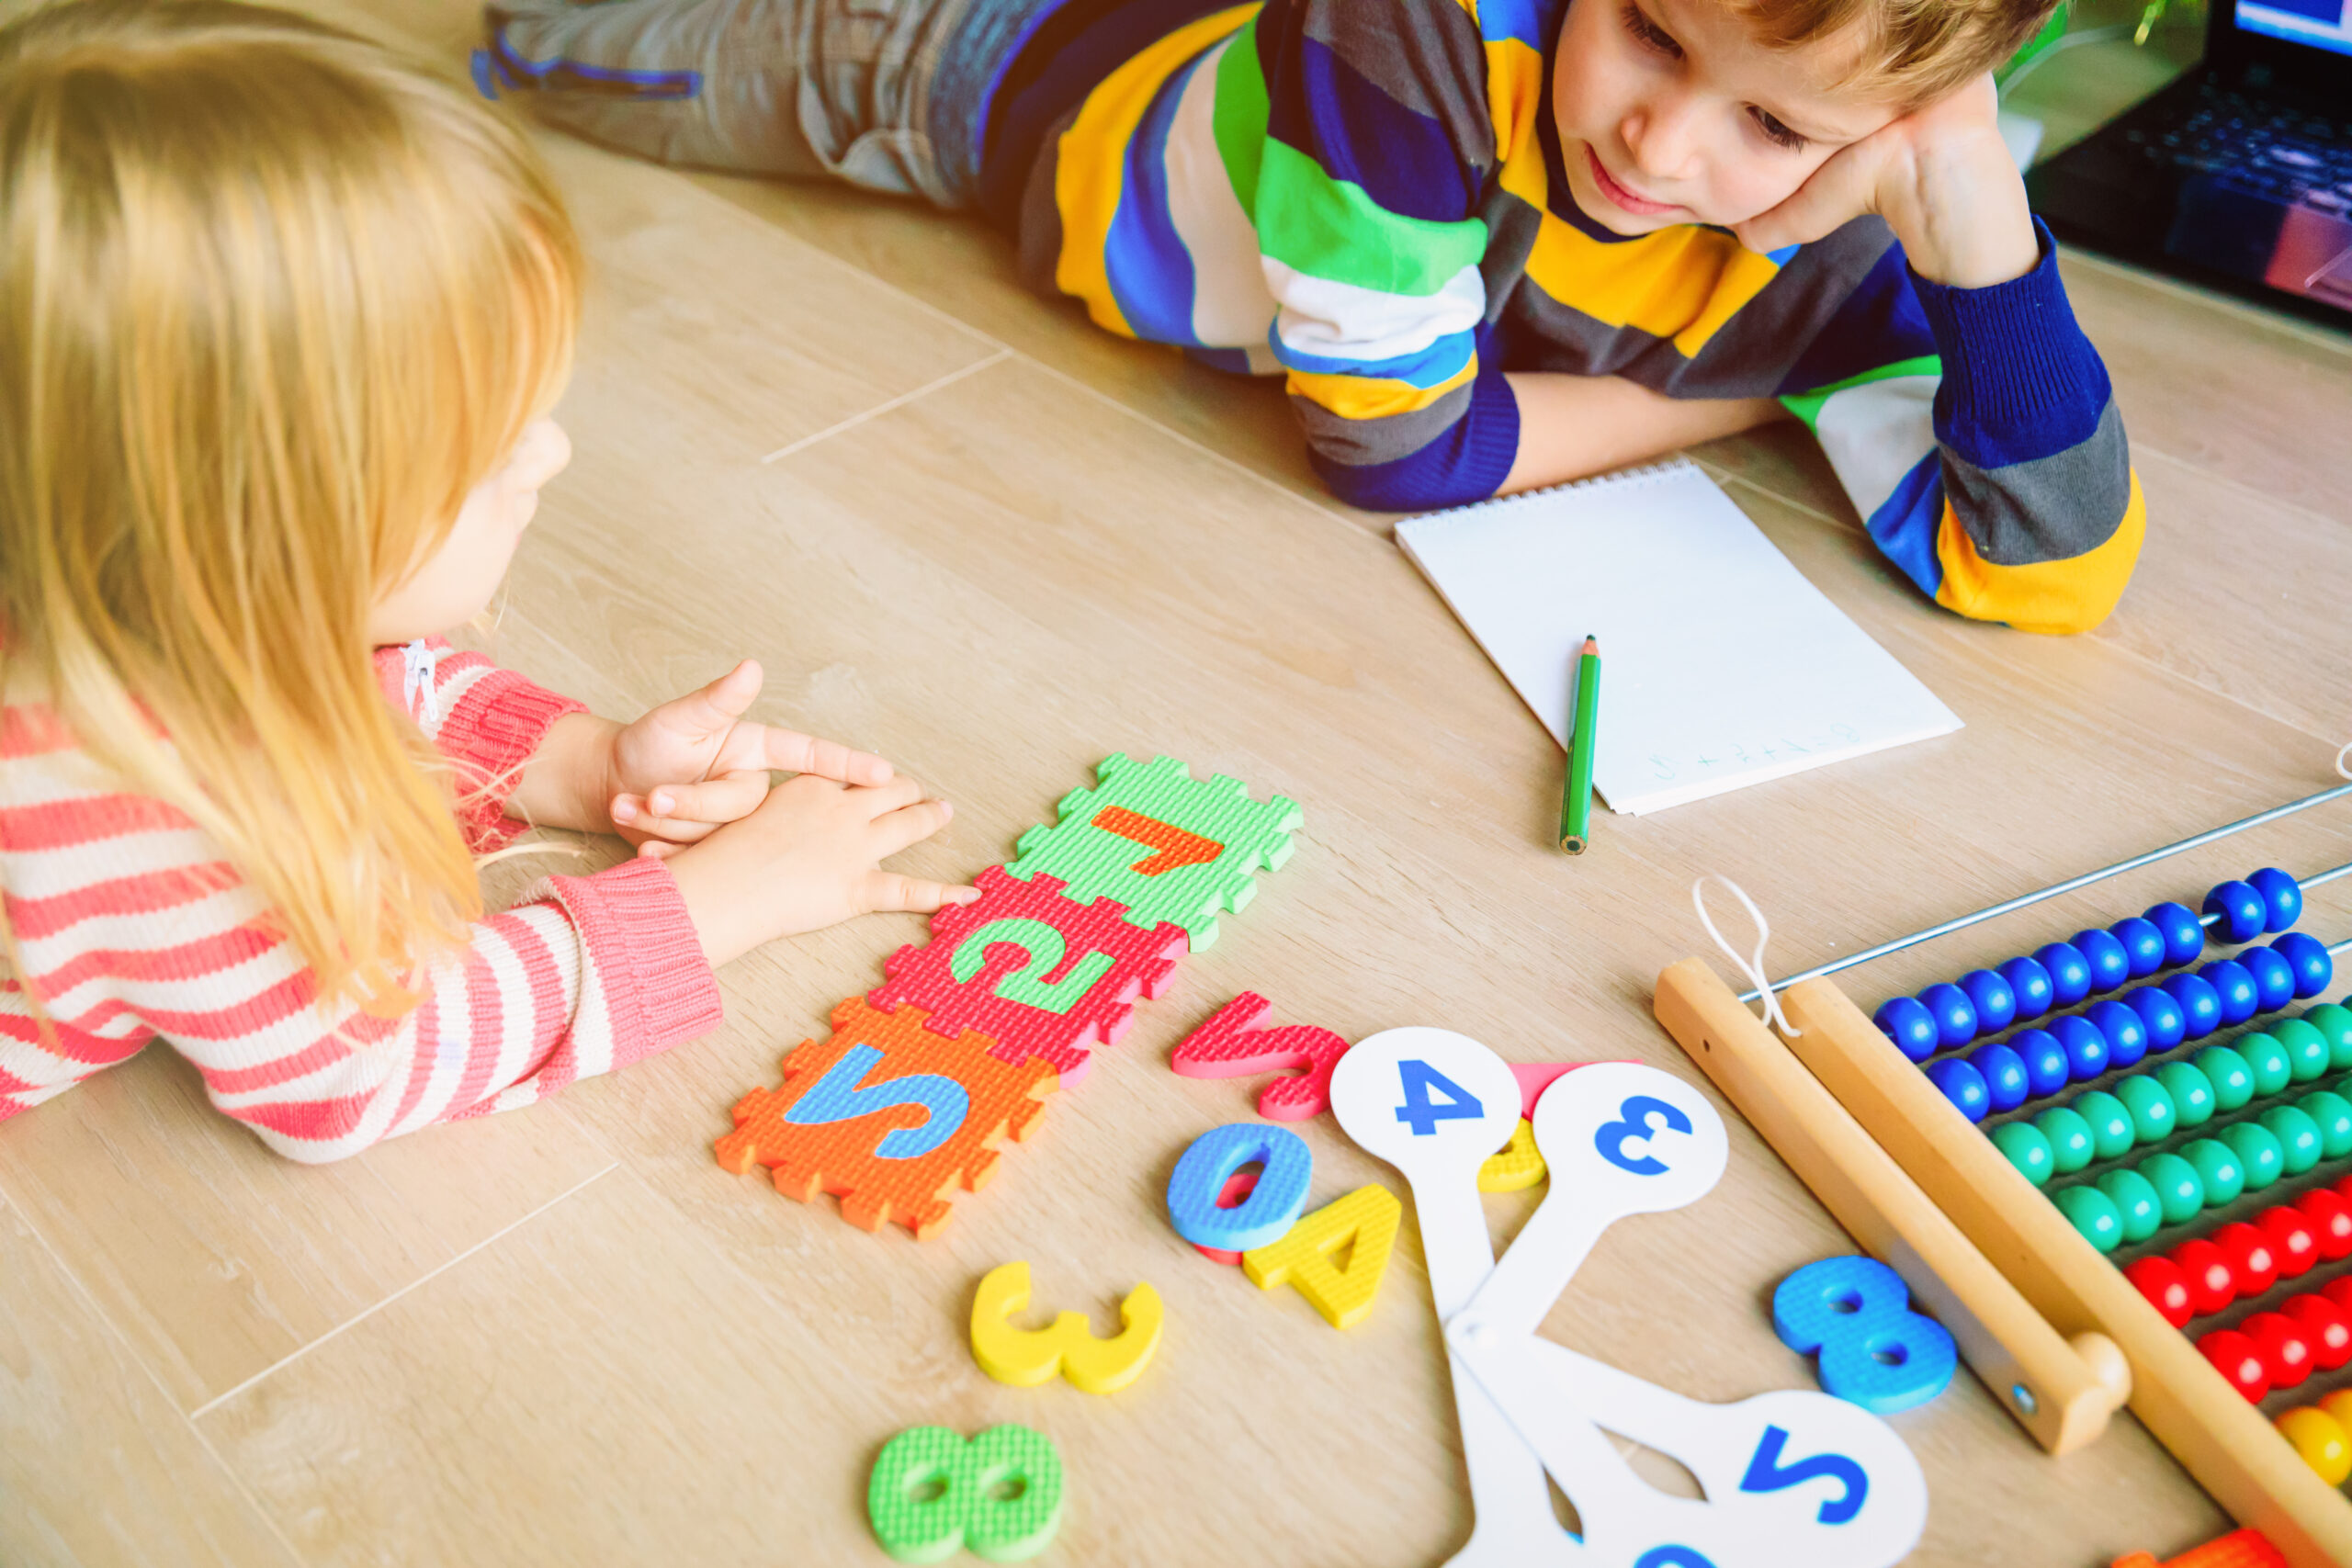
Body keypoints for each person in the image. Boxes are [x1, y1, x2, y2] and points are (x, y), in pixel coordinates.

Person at [0, 0, 976, 1162]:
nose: (550, 454)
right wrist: (721, 902)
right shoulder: (128, 800)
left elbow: (349, 674)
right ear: (258, 538)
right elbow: (356, 1072)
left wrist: (588, 763)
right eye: (490, 447)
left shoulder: (117, 573)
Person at [485, 0, 2144, 636]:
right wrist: (1742, 395)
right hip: (979, 67)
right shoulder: (1408, 29)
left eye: (1775, 130)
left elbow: (2045, 563)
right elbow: (1400, 450)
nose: (1662, 143)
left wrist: (1983, 249)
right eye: (1648, 29)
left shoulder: (1879, 231)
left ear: (1901, 133)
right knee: (544, 36)